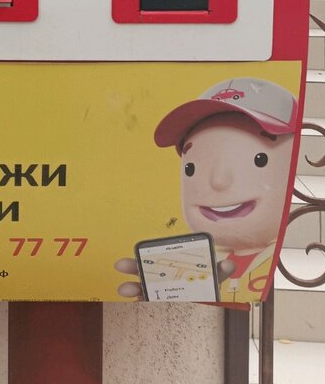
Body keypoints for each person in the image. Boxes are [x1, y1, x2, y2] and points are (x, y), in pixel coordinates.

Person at [116, 77, 298, 303]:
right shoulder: (201, 259)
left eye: (259, 159)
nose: (218, 181)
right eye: (191, 168)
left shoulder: (289, 263)